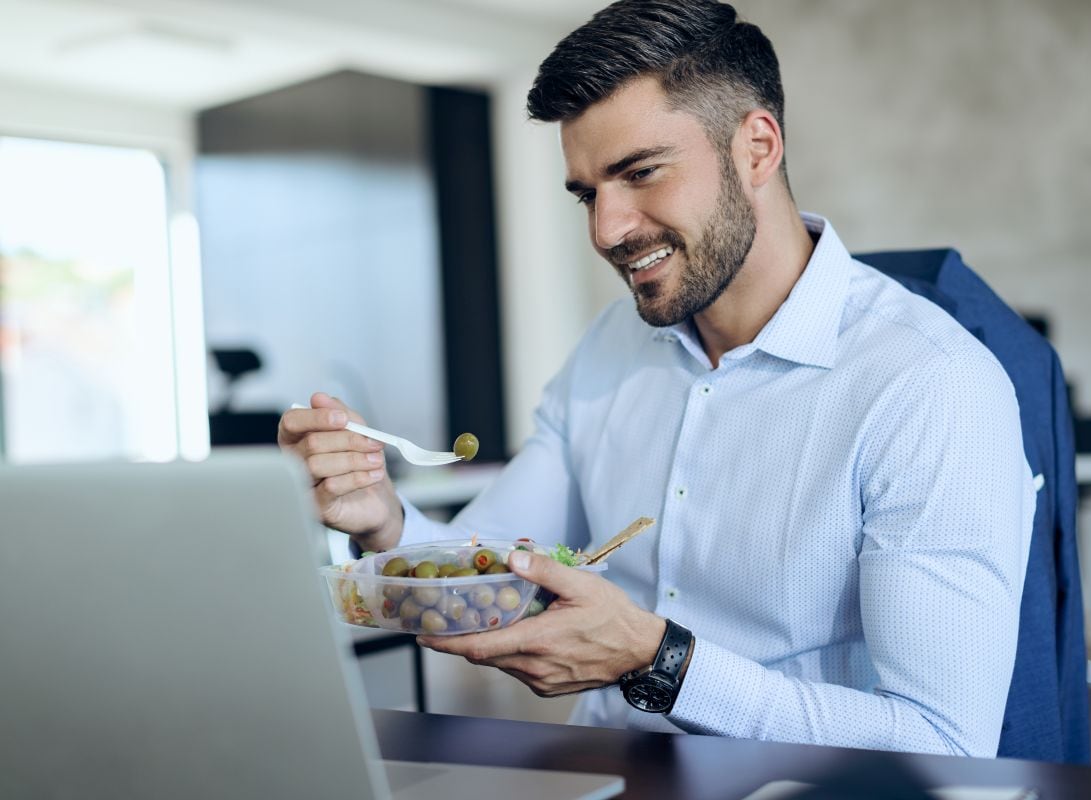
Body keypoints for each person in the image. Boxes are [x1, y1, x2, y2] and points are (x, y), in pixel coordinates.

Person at [279, 0, 1035, 757]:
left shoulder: (930, 385)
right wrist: (382, 518)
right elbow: (495, 559)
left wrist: (659, 662)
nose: (606, 229)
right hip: (607, 773)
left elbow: (943, 743)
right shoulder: (610, 347)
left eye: (640, 173)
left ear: (758, 148)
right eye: (587, 193)